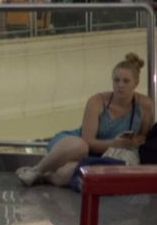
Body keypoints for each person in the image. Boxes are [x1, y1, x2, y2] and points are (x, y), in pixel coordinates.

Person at [16, 53, 154, 187]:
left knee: (67, 174)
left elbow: (144, 136)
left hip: (102, 154)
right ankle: (35, 170)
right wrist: (114, 143)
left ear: (136, 83)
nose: (120, 85)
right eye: (116, 80)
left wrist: (130, 142)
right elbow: (88, 141)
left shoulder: (145, 105)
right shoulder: (97, 101)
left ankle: (46, 176)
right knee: (80, 147)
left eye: (126, 81)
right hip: (77, 143)